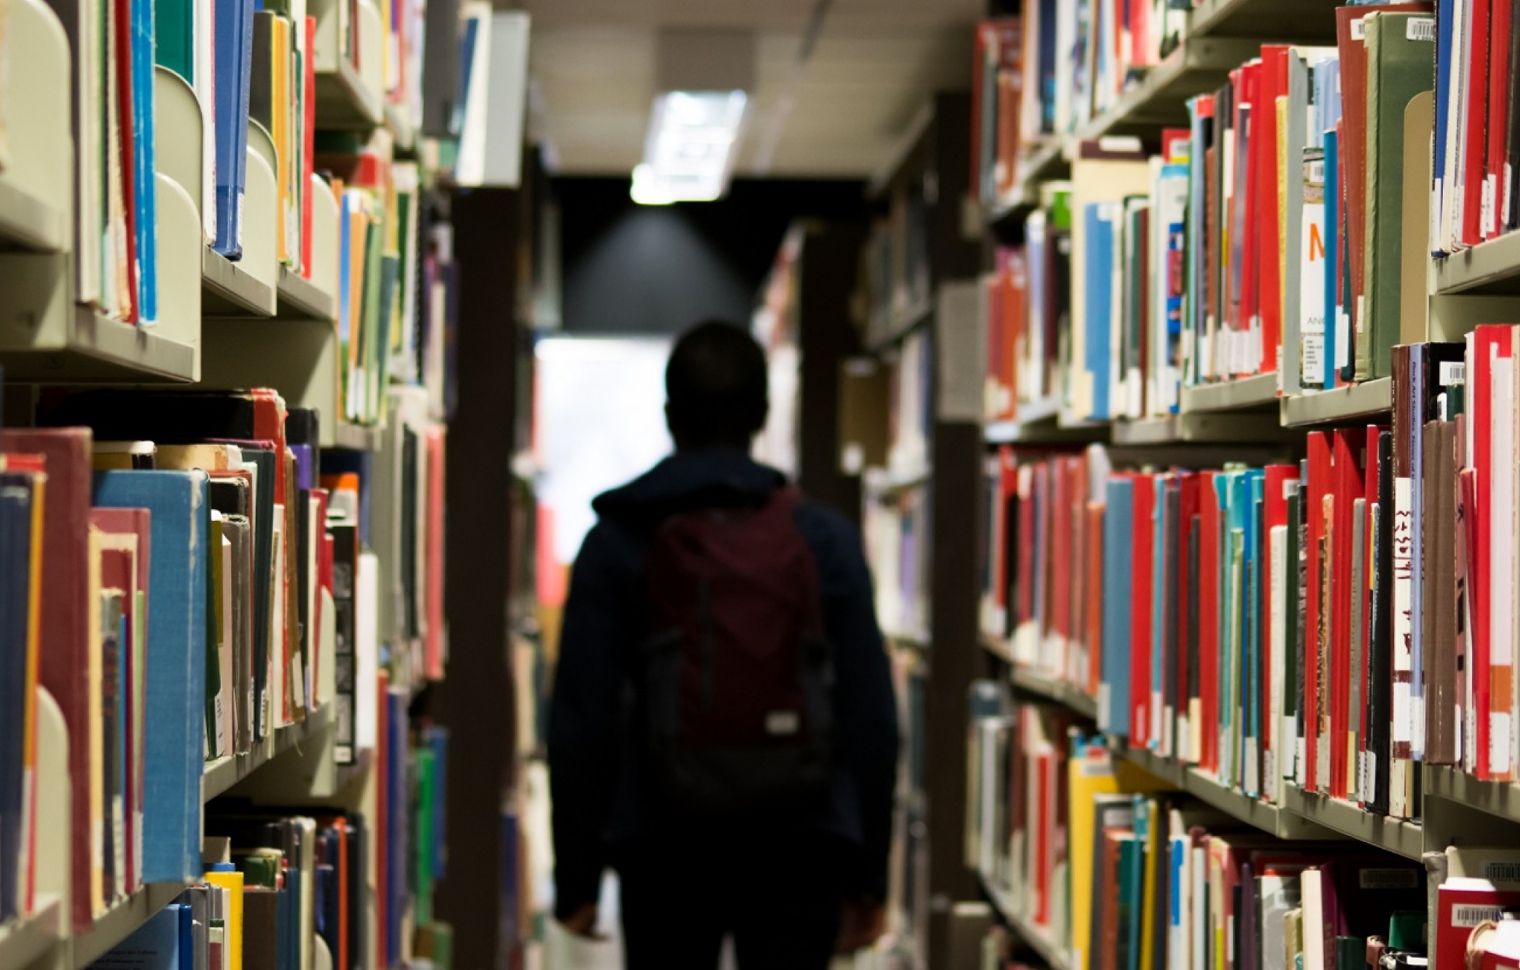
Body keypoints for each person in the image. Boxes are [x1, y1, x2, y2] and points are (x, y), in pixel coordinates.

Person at [548, 320, 901, 969]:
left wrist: (578, 876)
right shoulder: (823, 539)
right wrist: (869, 874)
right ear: (762, 414)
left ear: (669, 414)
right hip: (803, 841)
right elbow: (872, 717)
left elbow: (581, 718)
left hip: (662, 843)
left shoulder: (617, 540)